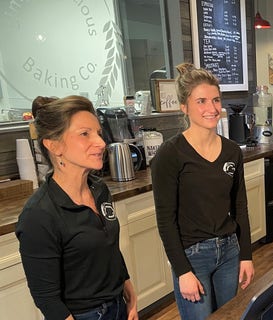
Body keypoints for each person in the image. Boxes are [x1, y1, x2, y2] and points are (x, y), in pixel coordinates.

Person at [15, 96, 138, 320]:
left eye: (98, 133)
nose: (101, 143)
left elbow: (109, 247)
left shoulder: (99, 190)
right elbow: (47, 298)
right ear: (53, 145)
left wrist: (126, 285)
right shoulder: (39, 215)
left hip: (118, 305)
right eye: (85, 134)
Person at [151, 63, 254, 319]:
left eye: (216, 100)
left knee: (228, 316)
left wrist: (246, 255)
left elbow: (239, 206)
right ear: (184, 107)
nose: (212, 108)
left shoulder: (232, 151)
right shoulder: (170, 154)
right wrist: (182, 271)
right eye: (201, 101)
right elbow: (165, 220)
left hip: (229, 251)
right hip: (193, 257)